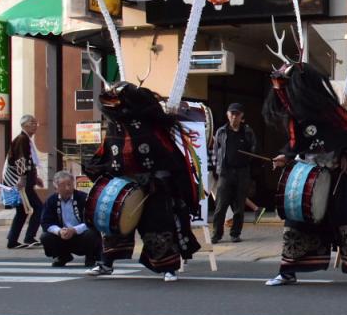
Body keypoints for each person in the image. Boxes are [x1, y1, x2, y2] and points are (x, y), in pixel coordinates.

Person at [262, 61, 347, 288]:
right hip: (311, 174)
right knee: (298, 222)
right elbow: (297, 144)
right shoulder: (296, 116)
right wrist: (285, 156)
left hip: (338, 175)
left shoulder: (331, 112)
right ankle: (287, 271)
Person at [83, 82, 202, 282]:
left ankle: (169, 268)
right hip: (124, 184)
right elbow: (107, 153)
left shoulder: (150, 125)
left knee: (158, 226)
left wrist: (162, 179)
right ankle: (106, 263)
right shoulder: (115, 126)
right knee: (115, 224)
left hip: (154, 186)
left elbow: (168, 156)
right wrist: (95, 167)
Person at [211, 103, 257, 243]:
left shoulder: (248, 131)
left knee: (239, 206)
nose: (234, 116)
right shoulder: (221, 131)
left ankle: (235, 234)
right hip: (225, 173)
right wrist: (217, 169)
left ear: (242, 116)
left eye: (237, 114)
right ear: (227, 114)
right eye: (232, 113)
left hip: (242, 173)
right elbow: (215, 151)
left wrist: (246, 160)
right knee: (220, 206)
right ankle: (216, 234)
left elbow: (254, 149)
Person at [40, 170, 102, 268]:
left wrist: (74, 230)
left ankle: (91, 257)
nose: (67, 188)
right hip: (63, 236)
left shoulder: (83, 198)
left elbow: (91, 220)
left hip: (81, 235)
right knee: (45, 237)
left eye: (69, 184)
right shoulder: (51, 201)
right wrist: (59, 231)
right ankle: (63, 256)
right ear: (56, 187)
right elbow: (46, 222)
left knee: (92, 233)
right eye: (63, 185)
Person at [4, 114, 44, 249]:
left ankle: (12, 240)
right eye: (32, 122)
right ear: (25, 125)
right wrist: (22, 177)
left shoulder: (25, 139)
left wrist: (35, 177)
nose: (35, 125)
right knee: (38, 208)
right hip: (22, 183)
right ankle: (29, 237)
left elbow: (28, 160)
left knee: (22, 212)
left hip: (25, 181)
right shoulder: (22, 139)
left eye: (35, 122)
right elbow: (21, 160)